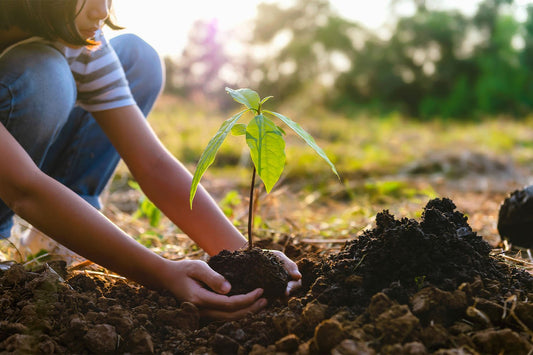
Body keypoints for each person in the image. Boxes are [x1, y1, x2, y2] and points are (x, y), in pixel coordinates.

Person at [0, 0, 301, 320]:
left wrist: (245, 257)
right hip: (15, 182)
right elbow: (24, 188)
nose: (102, 11)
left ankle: (58, 234)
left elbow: (153, 164)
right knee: (45, 77)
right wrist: (161, 273)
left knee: (136, 57)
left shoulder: (81, 40)